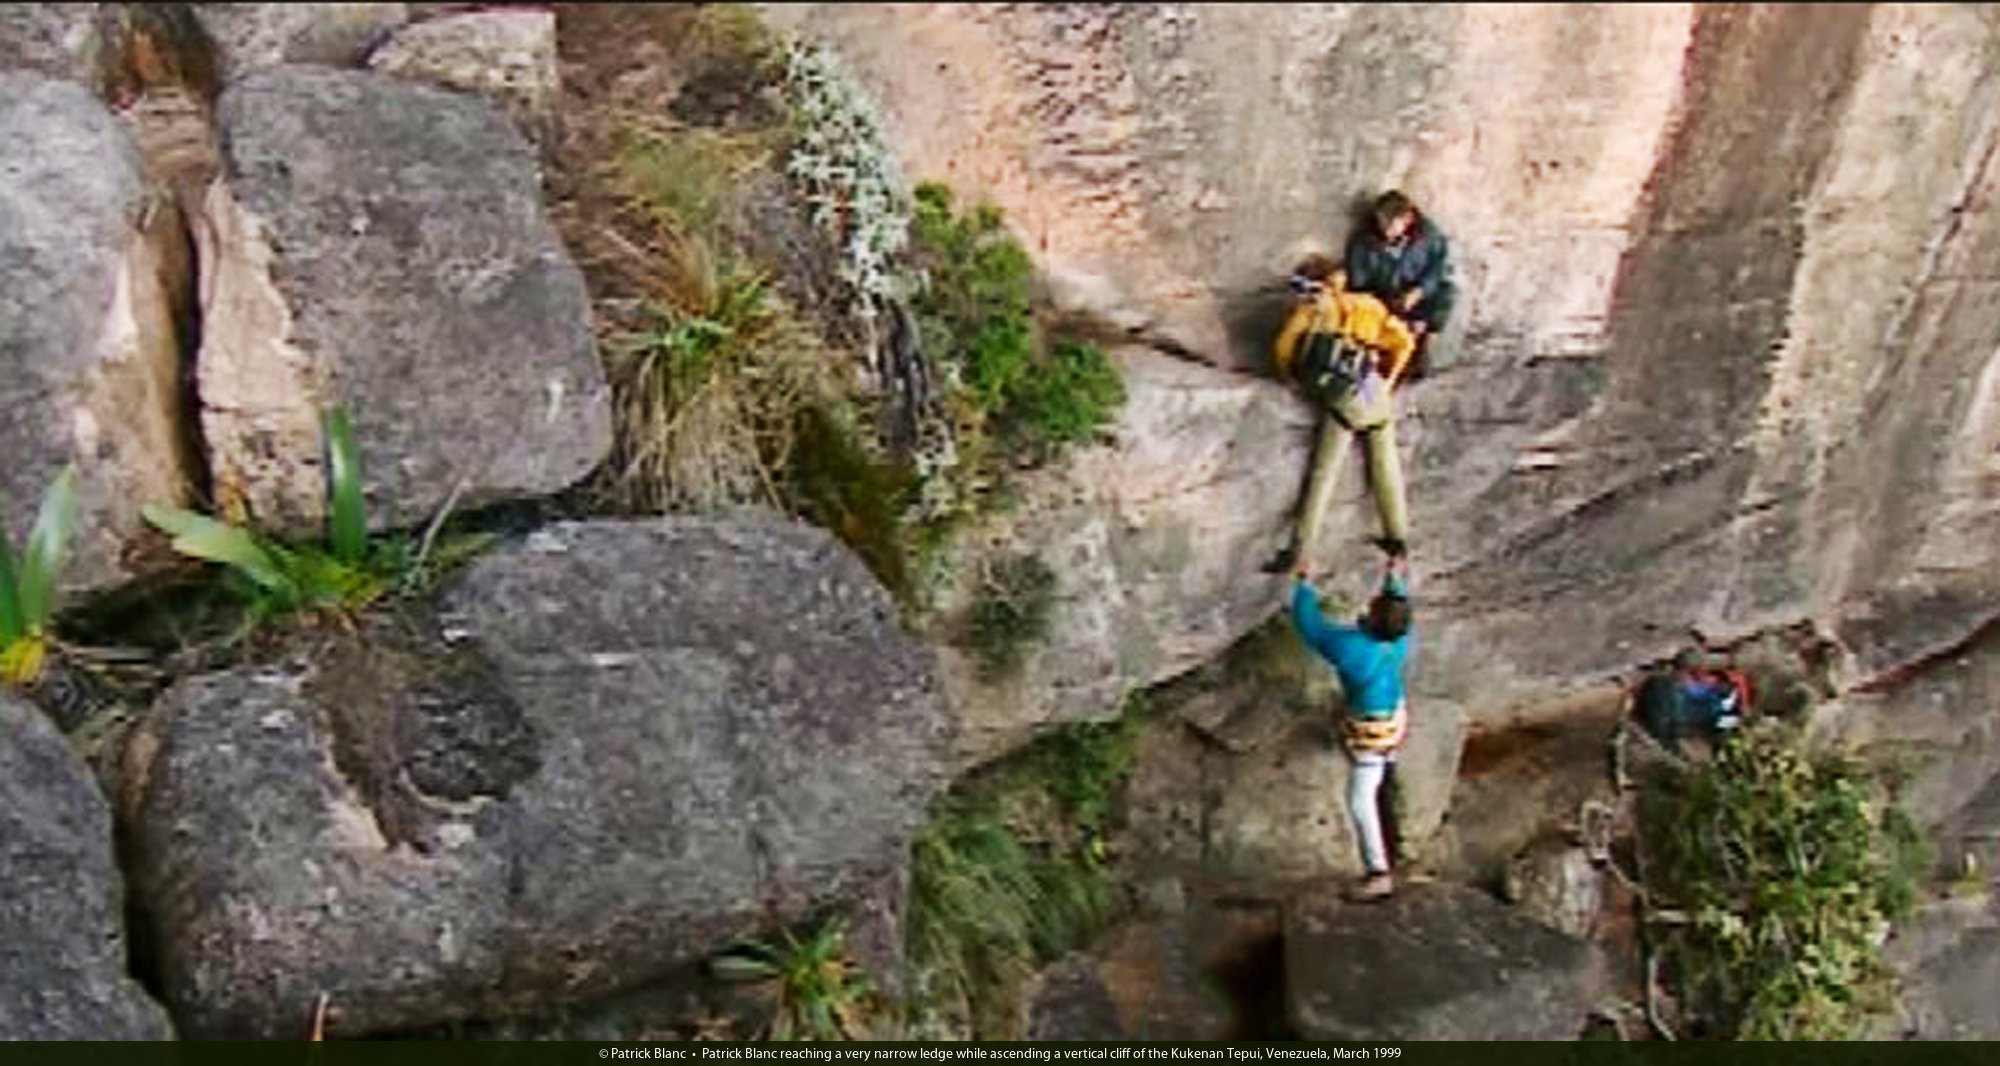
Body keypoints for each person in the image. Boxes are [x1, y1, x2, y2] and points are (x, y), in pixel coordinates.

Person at [1261, 254, 1416, 575]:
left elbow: (1283, 347)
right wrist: (1389, 379)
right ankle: (1397, 539)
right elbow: (1403, 342)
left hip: (1343, 400)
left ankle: (1301, 547)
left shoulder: (1311, 312)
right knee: (1386, 467)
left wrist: (1289, 375)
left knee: (1324, 475)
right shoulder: (1367, 306)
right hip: (1372, 389)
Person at [1291, 554, 1414, 902]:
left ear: (1372, 619)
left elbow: (1311, 628)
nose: (1369, 604)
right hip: (1393, 718)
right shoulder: (1399, 639)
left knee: (1360, 801)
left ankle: (1379, 873)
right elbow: (1396, 607)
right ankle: (1386, 771)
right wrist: (1394, 577)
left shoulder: (1351, 649)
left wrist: (1304, 582)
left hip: (1370, 733)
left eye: (1373, 607)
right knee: (1373, 755)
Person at [1344, 190, 1457, 383]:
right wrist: (1380, 301)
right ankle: (1383, 354)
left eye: (1391, 225)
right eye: (1382, 224)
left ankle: (1419, 343)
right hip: (1383, 298)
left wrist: (1420, 291)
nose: (1386, 231)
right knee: (1367, 317)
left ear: (1407, 219)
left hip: (1416, 296)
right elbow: (1358, 283)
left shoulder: (1427, 234)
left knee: (1448, 293)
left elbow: (1439, 267)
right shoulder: (1364, 241)